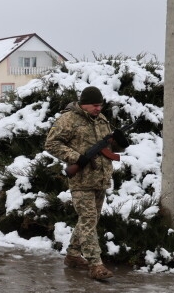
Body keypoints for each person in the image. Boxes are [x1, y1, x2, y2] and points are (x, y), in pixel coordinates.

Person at [44, 85, 129, 281]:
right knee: (89, 219)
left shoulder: (101, 119)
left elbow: (108, 147)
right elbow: (51, 143)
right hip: (81, 179)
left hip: (100, 178)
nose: (99, 109)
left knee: (89, 220)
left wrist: (119, 143)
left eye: (100, 105)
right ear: (84, 104)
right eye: (95, 105)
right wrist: (76, 157)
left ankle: (73, 255)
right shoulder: (68, 119)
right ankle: (96, 265)